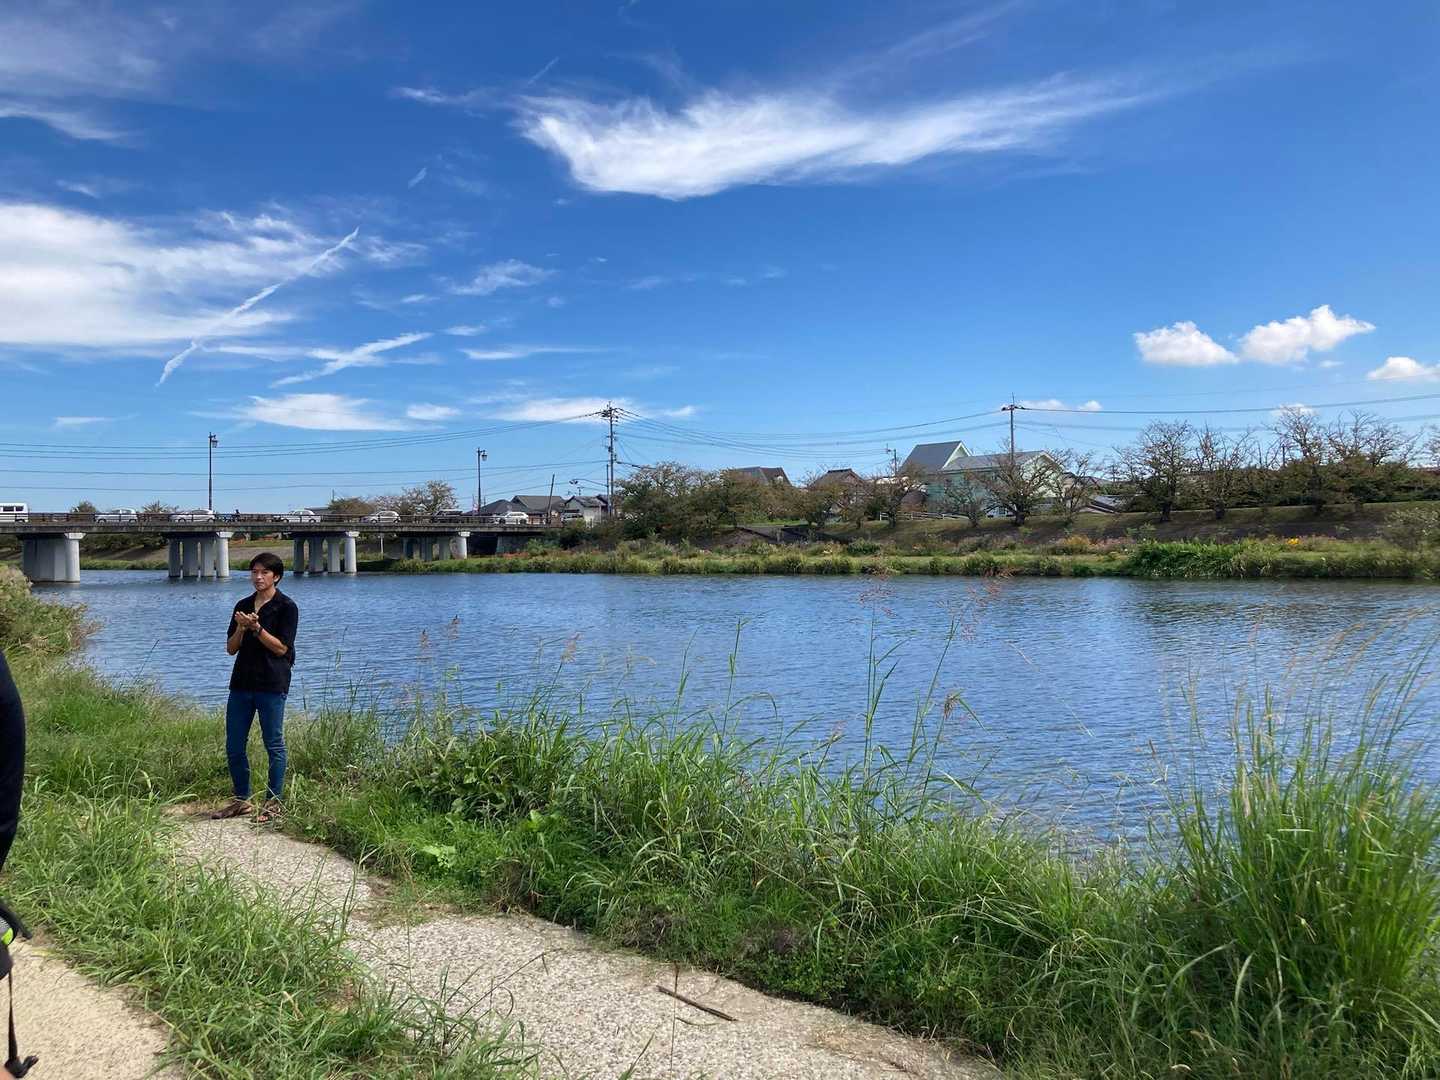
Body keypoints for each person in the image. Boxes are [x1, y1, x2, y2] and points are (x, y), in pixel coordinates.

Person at [212, 552, 299, 823]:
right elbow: (230, 648)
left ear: (277, 576)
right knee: (234, 744)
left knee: (274, 744)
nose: (258, 577)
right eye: (254, 572)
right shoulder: (243, 605)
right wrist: (241, 628)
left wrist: (257, 629)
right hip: (241, 683)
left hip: (272, 683)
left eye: (264, 572)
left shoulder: (286, 607)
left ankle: (274, 802)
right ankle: (242, 800)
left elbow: (282, 648)